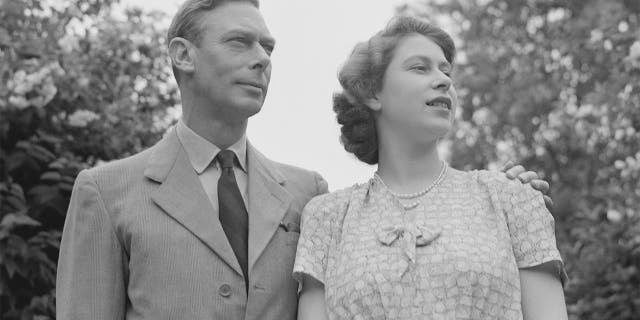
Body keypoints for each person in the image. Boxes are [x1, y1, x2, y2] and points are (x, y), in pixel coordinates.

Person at [56, 1, 552, 319]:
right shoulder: (106, 191)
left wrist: (499, 197)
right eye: (239, 42)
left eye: (268, 47)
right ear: (183, 55)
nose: (262, 58)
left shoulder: (306, 194)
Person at [294, 16, 568, 320]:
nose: (444, 80)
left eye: (446, 70)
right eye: (419, 68)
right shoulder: (327, 219)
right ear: (372, 92)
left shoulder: (513, 199)